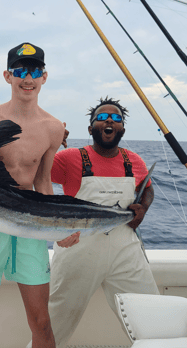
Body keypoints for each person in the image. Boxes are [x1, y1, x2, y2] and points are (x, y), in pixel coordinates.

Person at [0, 43, 80, 348]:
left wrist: (58, 227)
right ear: (8, 76)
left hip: (29, 224)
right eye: (21, 71)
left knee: (41, 324)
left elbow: (44, 185)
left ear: (45, 77)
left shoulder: (53, 128)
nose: (28, 78)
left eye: (35, 71)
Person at [36, 97, 159, 348]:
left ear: (122, 129)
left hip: (126, 249)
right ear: (91, 128)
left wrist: (142, 209)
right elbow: (34, 171)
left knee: (153, 318)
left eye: (116, 118)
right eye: (102, 118)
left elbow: (147, 188)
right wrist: (49, 143)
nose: (109, 121)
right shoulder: (69, 158)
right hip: (78, 248)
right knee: (55, 325)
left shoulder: (134, 160)